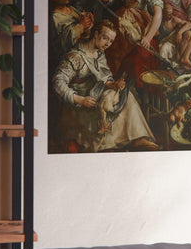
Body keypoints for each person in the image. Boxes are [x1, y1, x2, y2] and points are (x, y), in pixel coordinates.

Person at [52, 20, 159, 152]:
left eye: (111, 41)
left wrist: (114, 84)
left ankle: (137, 138)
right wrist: (80, 99)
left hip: (96, 96)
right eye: (105, 38)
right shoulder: (75, 57)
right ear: (96, 34)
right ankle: (109, 145)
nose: (107, 43)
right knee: (105, 109)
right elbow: (58, 82)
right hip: (80, 105)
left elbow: (105, 78)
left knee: (127, 95)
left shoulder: (99, 54)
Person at [50, 0, 94, 66]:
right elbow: (63, 43)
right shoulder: (55, 18)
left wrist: (88, 19)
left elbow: (84, 23)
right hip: (73, 58)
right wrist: (81, 26)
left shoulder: (71, 8)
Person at [158, 2, 191, 66]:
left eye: (171, 13)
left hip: (173, 43)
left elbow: (189, 24)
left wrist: (180, 33)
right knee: (163, 49)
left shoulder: (174, 20)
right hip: (162, 41)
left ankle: (179, 60)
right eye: (168, 14)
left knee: (188, 33)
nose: (170, 16)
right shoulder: (159, 20)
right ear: (163, 13)